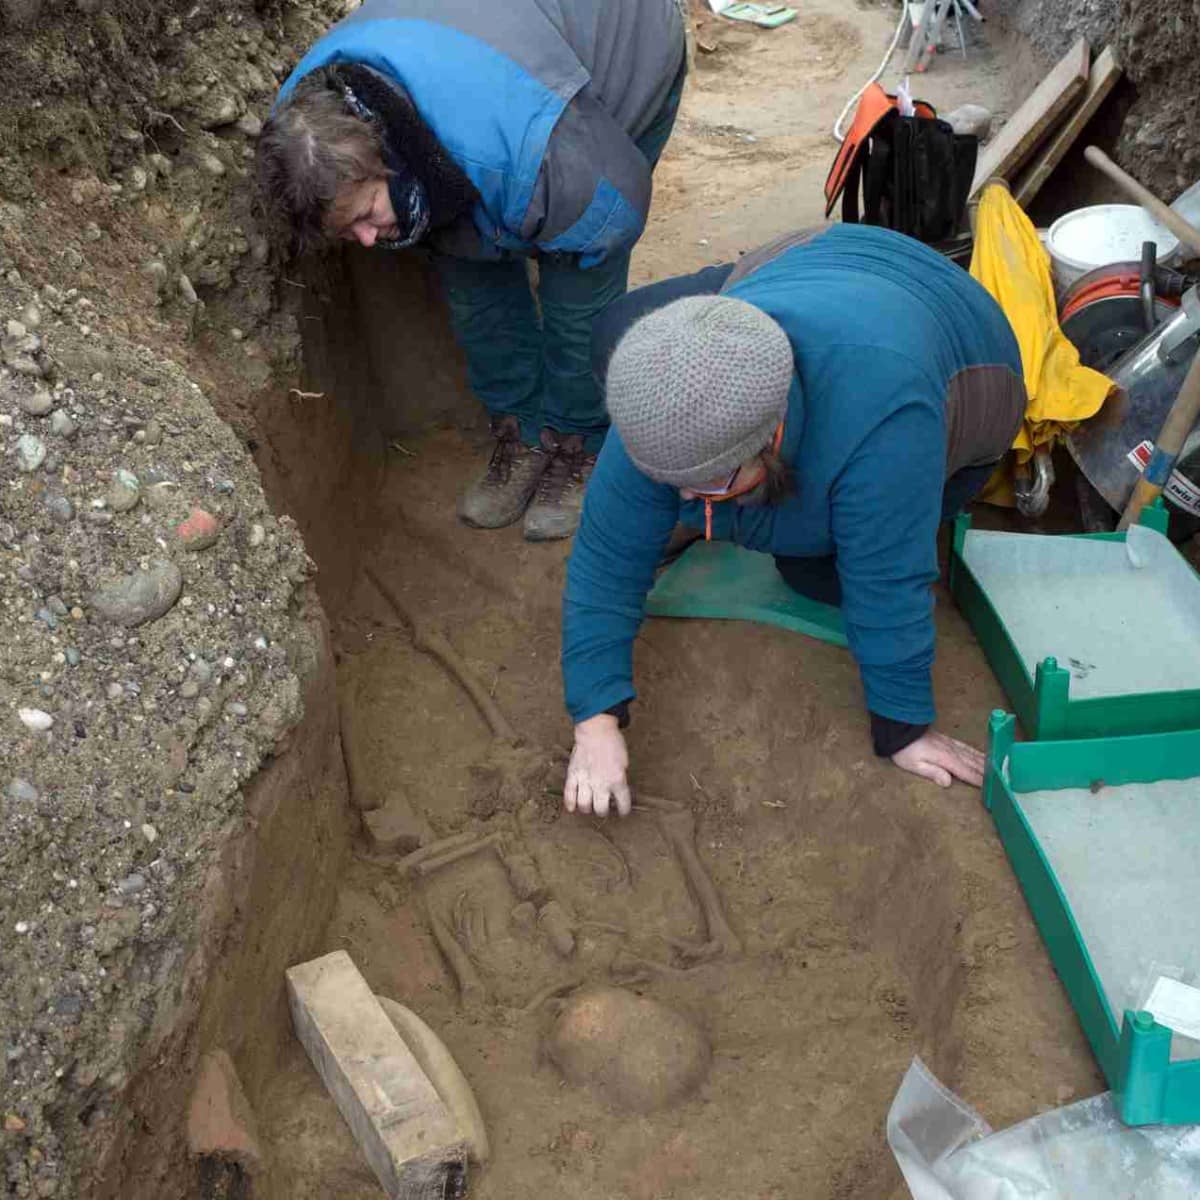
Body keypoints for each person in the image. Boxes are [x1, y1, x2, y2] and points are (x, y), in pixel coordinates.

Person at [560, 224, 1027, 816]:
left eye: (705, 486)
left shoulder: (888, 424)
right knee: (611, 330)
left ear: (770, 441)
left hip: (970, 358)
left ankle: (741, 518)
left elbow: (889, 579)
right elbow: (604, 560)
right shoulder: (666, 402)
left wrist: (903, 727)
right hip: (809, 259)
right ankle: (717, 510)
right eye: (670, 485)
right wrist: (594, 723)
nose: (680, 494)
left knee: (818, 572)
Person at [258, 0, 687, 541]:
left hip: (624, 43)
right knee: (470, 273)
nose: (366, 241)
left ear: (387, 158)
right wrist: (380, 214)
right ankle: (523, 431)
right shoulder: (303, 122)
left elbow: (609, 212)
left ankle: (579, 439)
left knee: (576, 272)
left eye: (367, 215)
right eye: (349, 232)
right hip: (489, 51)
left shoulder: (517, 144)